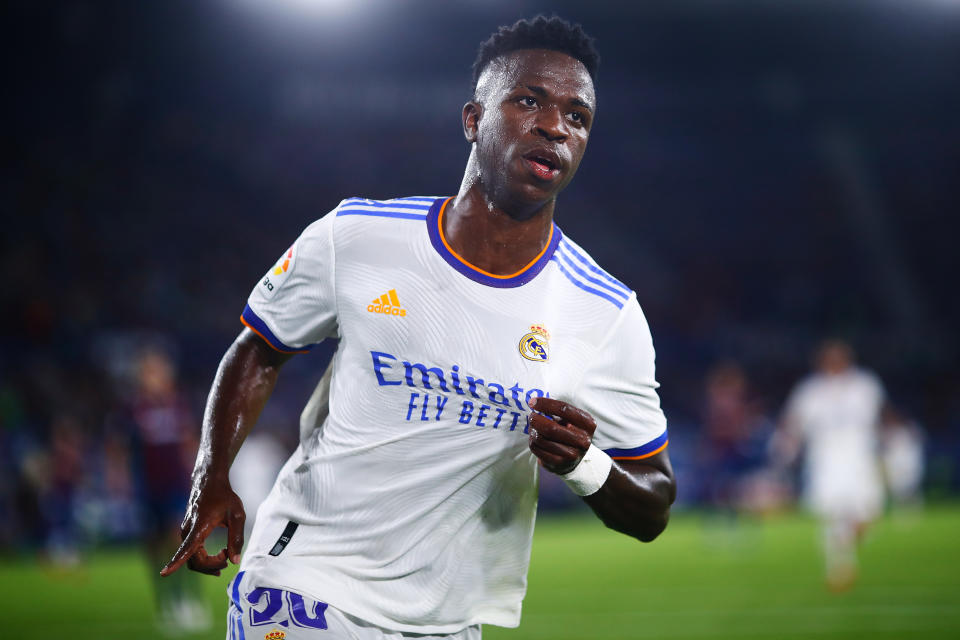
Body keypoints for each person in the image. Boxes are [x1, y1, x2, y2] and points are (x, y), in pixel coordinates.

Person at [161, 16, 676, 639]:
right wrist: (212, 476)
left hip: (447, 621)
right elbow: (260, 348)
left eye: (578, 116)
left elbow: (653, 503)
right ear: (472, 119)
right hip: (306, 583)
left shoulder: (605, 312)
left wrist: (584, 465)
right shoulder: (358, 236)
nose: (554, 126)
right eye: (529, 100)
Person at [775, 339, 885, 591]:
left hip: (860, 456)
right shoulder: (810, 391)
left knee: (868, 514)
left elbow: (878, 417)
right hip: (826, 458)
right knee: (833, 514)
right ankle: (839, 568)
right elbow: (793, 423)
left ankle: (849, 542)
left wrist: (885, 449)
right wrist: (786, 451)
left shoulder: (865, 385)